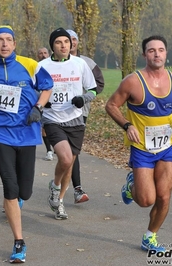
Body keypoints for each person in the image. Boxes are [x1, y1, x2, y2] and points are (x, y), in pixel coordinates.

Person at [0, 25, 53, 263]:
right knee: (10, 185)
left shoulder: (30, 65)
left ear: (15, 44)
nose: (4, 44)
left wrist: (38, 108)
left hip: (27, 132)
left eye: (8, 40)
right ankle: (19, 241)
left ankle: (15, 203)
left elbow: (46, 87)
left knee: (24, 191)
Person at [105, 35, 172, 252]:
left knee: (164, 196)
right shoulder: (133, 81)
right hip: (142, 148)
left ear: (166, 53)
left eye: (161, 50)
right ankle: (131, 184)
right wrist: (127, 125)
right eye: (152, 50)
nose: (157, 54)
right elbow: (111, 105)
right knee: (146, 200)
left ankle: (150, 236)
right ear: (144, 54)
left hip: (166, 147)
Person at [39, 27, 97, 220]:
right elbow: (33, 90)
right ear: (52, 46)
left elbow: (93, 89)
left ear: (71, 44)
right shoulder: (42, 66)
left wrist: (84, 98)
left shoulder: (80, 64)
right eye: (58, 42)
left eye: (66, 42)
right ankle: (55, 186)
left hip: (76, 120)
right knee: (64, 159)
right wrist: (41, 102)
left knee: (69, 164)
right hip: (53, 118)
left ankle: (60, 201)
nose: (64, 45)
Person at [66, 29, 105, 204]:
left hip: (81, 112)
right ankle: (67, 185)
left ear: (77, 42)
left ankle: (74, 187)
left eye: (73, 39)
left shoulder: (87, 62)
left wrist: (84, 97)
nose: (71, 43)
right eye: (67, 40)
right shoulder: (50, 64)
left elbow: (99, 85)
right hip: (57, 113)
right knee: (66, 153)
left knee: (73, 152)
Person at [36, 47, 54, 161]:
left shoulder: (53, 65)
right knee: (45, 127)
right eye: (40, 53)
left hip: (59, 102)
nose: (43, 55)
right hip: (44, 102)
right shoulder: (36, 68)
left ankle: (57, 146)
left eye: (45, 53)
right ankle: (49, 150)